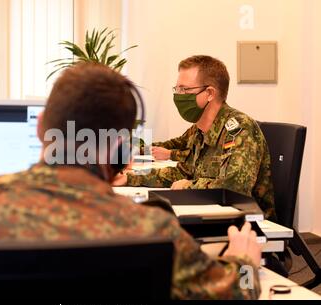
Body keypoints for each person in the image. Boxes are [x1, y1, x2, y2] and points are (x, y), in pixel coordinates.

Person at [0, 62, 261, 299]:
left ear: (41, 126)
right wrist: (244, 262)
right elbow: (236, 292)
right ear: (120, 148)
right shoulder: (153, 232)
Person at [115, 55, 275, 220]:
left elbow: (234, 188)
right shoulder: (200, 130)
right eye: (176, 89)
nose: (178, 96)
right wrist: (128, 179)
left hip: (247, 226)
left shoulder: (240, 128)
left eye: (184, 90)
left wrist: (189, 186)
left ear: (210, 93)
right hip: (211, 215)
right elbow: (182, 173)